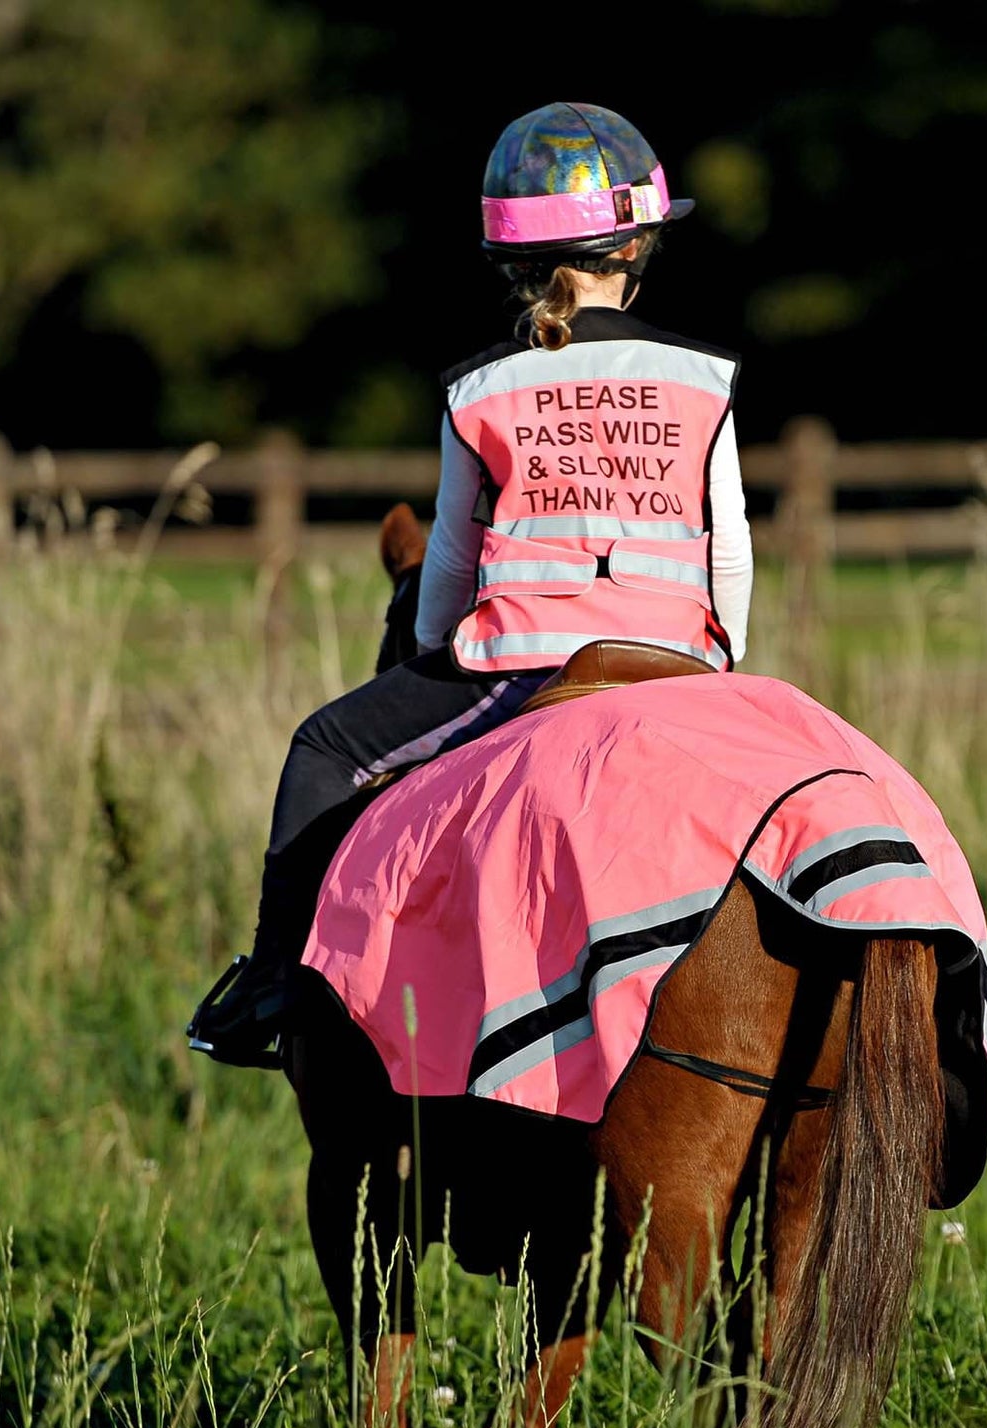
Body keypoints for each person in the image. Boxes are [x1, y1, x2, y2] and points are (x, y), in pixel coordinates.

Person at [186, 100, 754, 1068]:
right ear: (636, 247)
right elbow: (729, 551)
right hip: (678, 667)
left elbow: (446, 561)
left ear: (518, 264)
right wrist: (720, 663)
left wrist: (429, 643)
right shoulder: (706, 377)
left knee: (321, 747)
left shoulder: (479, 387)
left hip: (520, 668)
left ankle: (274, 989)